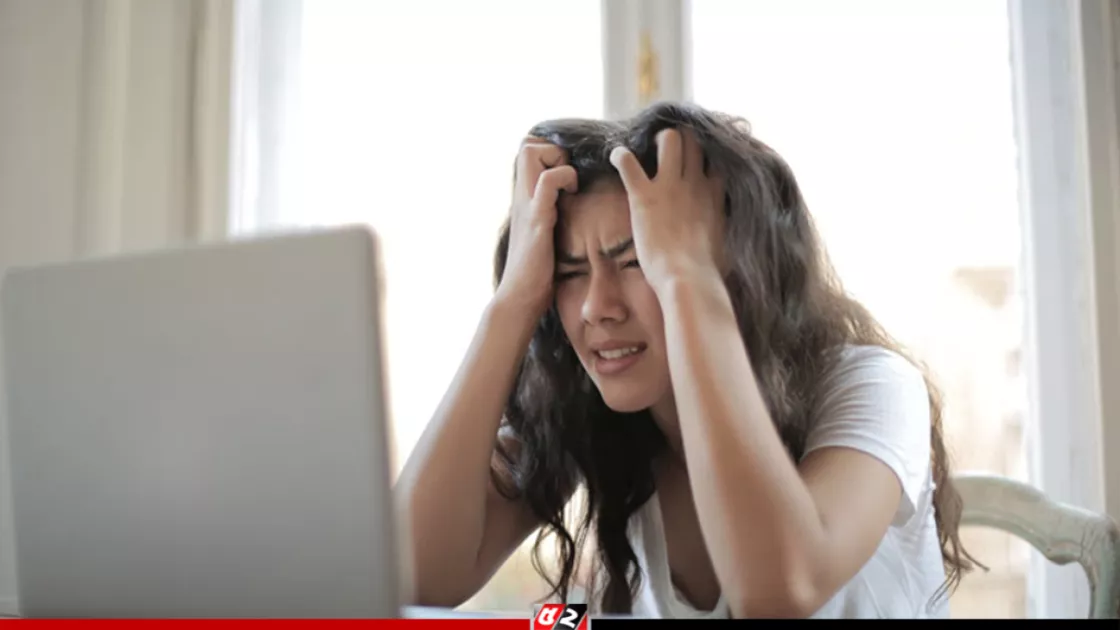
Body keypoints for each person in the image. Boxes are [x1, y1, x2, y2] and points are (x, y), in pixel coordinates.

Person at [394, 101, 981, 619]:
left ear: (738, 270)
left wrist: (687, 280)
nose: (597, 307)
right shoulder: (594, 415)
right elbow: (410, 577)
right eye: (569, 273)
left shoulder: (875, 386)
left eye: (637, 261)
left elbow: (781, 590)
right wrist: (513, 302)